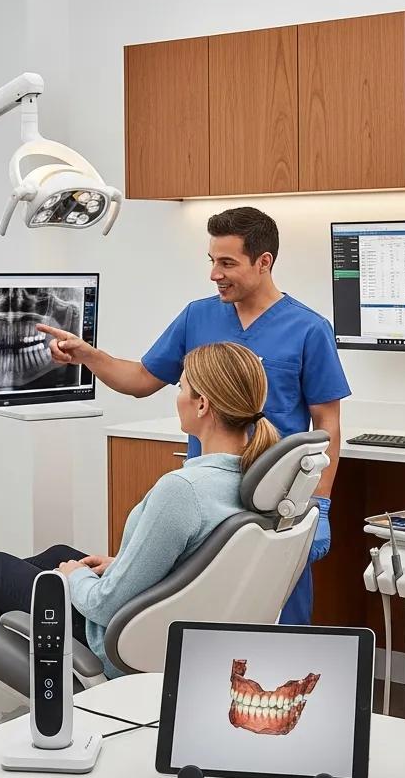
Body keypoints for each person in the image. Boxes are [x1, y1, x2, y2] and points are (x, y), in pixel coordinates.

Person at [0, 342, 280, 677]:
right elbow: (200, 568)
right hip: (162, 623)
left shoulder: (183, 491)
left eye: (182, 388)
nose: (178, 397)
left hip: (116, 640)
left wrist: (76, 578)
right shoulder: (252, 480)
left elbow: (105, 607)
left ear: (202, 405)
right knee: (58, 552)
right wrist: (117, 564)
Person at [36, 206, 350, 624]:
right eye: (212, 261)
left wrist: (318, 504)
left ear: (263, 262)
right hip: (211, 497)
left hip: (275, 498)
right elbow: (142, 379)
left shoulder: (308, 329)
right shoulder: (197, 317)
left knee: (278, 618)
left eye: (227, 263)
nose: (214, 274)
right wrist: (88, 356)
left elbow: (327, 426)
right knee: (195, 607)